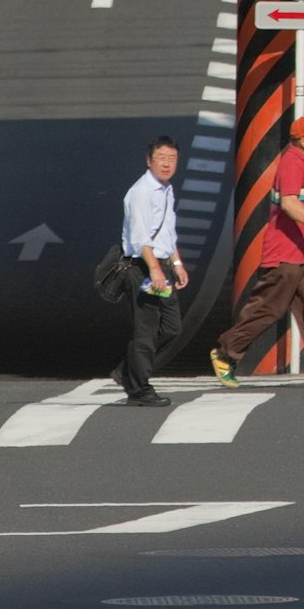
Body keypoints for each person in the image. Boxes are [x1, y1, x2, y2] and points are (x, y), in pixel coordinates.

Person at [213, 112, 304, 390]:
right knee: (268, 309)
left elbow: (300, 203)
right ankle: (225, 353)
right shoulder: (292, 164)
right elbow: (289, 205)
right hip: (285, 254)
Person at [118, 137, 185, 408]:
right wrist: (155, 270)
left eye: (172, 158)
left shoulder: (165, 189)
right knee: (145, 331)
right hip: (144, 266)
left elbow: (167, 230)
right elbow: (140, 237)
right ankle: (139, 389)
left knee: (172, 327)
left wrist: (177, 263)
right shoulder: (142, 192)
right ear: (149, 161)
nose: (167, 163)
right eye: (161, 158)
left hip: (161, 265)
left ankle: (129, 371)